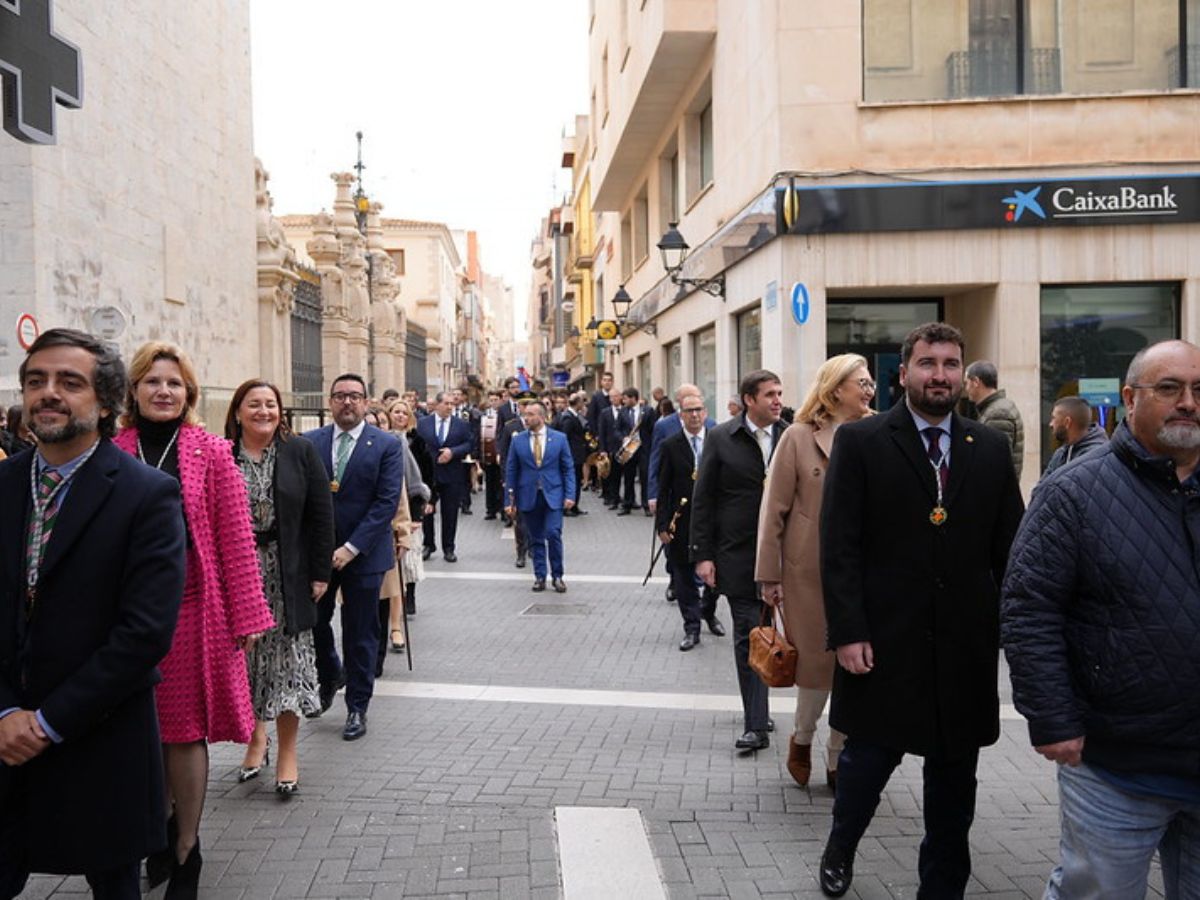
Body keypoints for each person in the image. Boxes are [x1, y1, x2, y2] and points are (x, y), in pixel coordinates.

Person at [816, 323, 1024, 899]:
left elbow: (1011, 549)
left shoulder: (990, 450)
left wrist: (1016, 633)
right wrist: (849, 630)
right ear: (903, 373)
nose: (940, 375)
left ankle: (942, 887)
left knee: (955, 784)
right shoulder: (861, 441)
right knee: (866, 765)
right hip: (884, 640)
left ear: (964, 373)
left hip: (963, 647)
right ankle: (841, 845)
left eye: (951, 364)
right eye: (928, 364)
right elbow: (838, 547)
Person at [1002, 339, 1200, 900]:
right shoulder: (1073, 492)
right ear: (1129, 399)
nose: (1187, 402)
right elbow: (1028, 608)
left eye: (1199, 390)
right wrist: (1054, 719)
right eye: (1169, 388)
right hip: (1116, 767)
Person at [0, 329, 186, 900]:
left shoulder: (146, 494)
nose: (48, 393)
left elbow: (144, 632)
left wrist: (49, 721)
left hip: (99, 737)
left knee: (113, 885)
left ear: (105, 402)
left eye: (68, 382)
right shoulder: (3, 485)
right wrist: (7, 710)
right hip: (4, 737)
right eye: (36, 381)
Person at [114, 341, 274, 898]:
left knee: (182, 730)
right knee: (139, 729)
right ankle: (155, 828)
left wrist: (248, 614)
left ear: (190, 394)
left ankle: (186, 847)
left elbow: (236, 538)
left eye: (174, 384)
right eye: (153, 382)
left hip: (190, 609)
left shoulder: (210, 451)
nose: (164, 391)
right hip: (122, 615)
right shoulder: (112, 451)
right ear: (134, 391)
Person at [756, 354, 874, 792]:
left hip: (866, 570)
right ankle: (802, 738)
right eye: (859, 383)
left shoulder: (876, 432)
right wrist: (769, 576)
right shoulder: (798, 438)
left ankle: (838, 755)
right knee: (818, 665)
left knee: (857, 666)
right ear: (834, 388)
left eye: (869, 383)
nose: (868, 390)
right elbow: (774, 512)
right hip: (809, 574)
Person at [224, 380, 334, 798]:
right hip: (239, 574)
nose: (264, 412)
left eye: (271, 405)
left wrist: (320, 572)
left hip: (288, 573)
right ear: (237, 412)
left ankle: (288, 752)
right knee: (248, 664)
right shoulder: (222, 455)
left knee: (288, 664)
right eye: (254, 404)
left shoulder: (300, 452)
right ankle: (257, 738)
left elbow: (322, 516)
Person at [691, 370, 787, 753]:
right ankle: (755, 724)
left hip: (785, 556)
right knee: (750, 633)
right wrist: (703, 556)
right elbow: (704, 499)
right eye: (769, 395)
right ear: (749, 399)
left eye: (780, 393)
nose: (777, 400)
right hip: (738, 555)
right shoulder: (721, 438)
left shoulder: (791, 434)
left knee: (783, 637)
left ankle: (767, 713)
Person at [304, 374, 403, 742]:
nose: (348, 402)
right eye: (340, 396)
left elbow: (385, 503)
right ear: (331, 401)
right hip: (319, 556)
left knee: (361, 634)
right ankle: (330, 674)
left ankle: (357, 707)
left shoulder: (386, 445)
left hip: (364, 555)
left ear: (365, 402)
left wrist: (351, 548)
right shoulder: (310, 442)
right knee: (314, 623)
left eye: (355, 397)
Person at [656, 393, 725, 650]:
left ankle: (708, 610)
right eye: (689, 411)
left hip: (714, 521)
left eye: (698, 410)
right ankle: (692, 627)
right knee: (684, 577)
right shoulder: (670, 445)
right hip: (681, 521)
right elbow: (662, 488)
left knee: (717, 574)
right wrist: (662, 525)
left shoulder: (718, 441)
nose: (694, 415)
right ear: (680, 415)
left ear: (705, 413)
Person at [504, 400, 576, 592]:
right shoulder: (518, 440)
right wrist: (508, 500)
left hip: (553, 494)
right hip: (528, 495)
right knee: (535, 538)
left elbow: (568, 468)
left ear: (542, 417)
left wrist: (570, 494)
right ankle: (540, 576)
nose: (526, 418)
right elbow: (511, 471)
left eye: (530, 415)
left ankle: (558, 575)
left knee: (553, 534)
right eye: (525, 414)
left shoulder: (559, 438)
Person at [369, 409, 413, 669]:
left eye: (377, 424)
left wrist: (404, 533)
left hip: (384, 537)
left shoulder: (389, 453)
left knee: (383, 599)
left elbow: (400, 497)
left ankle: (377, 659)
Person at [416, 391, 474, 561]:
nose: (450, 407)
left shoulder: (461, 424)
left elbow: (470, 444)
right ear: (437, 404)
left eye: (452, 404)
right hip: (428, 474)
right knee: (427, 511)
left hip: (452, 474)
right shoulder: (423, 423)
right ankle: (428, 544)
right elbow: (419, 446)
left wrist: (453, 452)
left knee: (450, 513)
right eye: (446, 403)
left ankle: (448, 548)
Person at [388, 399, 431, 618]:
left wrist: (420, 510)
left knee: (411, 557)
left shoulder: (417, 441)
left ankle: (409, 597)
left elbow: (424, 475)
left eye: (404, 413)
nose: (400, 416)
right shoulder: (383, 440)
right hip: (392, 504)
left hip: (412, 504)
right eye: (396, 412)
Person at [965, 360, 1025, 478]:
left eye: (966, 383)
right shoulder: (997, 408)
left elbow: (995, 463)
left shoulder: (998, 413)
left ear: (976, 382)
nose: (966, 389)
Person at [1041, 395, 1108, 478]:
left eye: (1054, 418)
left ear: (1067, 422)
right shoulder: (1060, 453)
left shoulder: (1098, 457)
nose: (1050, 424)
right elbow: (1042, 488)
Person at [617, 387, 657, 516]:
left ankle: (646, 505)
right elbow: (617, 429)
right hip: (629, 448)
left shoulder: (648, 410)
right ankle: (627, 504)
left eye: (625, 398)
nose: (623, 401)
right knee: (628, 477)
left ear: (633, 398)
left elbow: (653, 429)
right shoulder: (622, 412)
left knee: (645, 477)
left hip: (644, 448)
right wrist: (623, 437)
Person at [558, 391, 590, 516]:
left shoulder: (575, 415)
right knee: (573, 480)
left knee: (577, 479)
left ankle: (575, 506)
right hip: (572, 454)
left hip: (577, 454)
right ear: (577, 403)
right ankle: (568, 507)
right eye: (582, 401)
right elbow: (564, 436)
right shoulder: (568, 417)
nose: (583, 404)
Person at [480, 390, 505, 520]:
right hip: (488, 454)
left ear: (501, 400)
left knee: (501, 482)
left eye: (496, 400)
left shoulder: (505, 414)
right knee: (490, 482)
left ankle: (503, 509)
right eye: (491, 400)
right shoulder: (484, 415)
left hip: (501, 453)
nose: (494, 402)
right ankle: (491, 510)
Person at [586, 370, 615, 435]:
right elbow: (591, 416)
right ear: (601, 382)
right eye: (605, 380)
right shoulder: (596, 397)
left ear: (612, 382)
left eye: (609, 380)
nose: (607, 382)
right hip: (601, 433)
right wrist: (595, 433)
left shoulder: (616, 396)